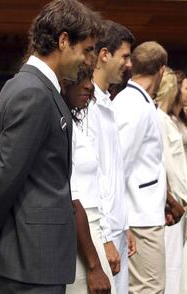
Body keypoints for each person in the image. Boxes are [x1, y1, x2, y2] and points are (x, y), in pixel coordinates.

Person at [0, 1, 105, 293]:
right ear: (63, 40)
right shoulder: (33, 92)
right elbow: (2, 178)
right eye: (86, 49)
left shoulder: (35, 87)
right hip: (31, 261)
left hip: (36, 259)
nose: (88, 60)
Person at [112, 41, 168, 294]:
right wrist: (125, 222)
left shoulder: (136, 100)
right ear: (162, 70)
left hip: (142, 213)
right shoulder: (134, 104)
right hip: (138, 216)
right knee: (148, 289)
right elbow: (118, 165)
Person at [90, 20, 135, 294]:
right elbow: (91, 178)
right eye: (125, 56)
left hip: (116, 230)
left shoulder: (106, 100)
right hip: (100, 234)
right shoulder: (87, 104)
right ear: (104, 54)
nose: (129, 64)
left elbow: (115, 173)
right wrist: (104, 239)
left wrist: (125, 224)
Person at [61, 65, 112, 294]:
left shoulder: (73, 124)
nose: (89, 86)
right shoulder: (61, 126)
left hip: (92, 230)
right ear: (64, 82)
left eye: (90, 79)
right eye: (81, 78)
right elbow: (71, 199)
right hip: (79, 237)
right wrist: (94, 266)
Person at [155, 67, 187, 294]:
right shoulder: (159, 118)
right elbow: (165, 164)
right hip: (169, 202)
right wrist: (173, 198)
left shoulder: (169, 119)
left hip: (181, 197)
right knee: (170, 264)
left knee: (179, 264)